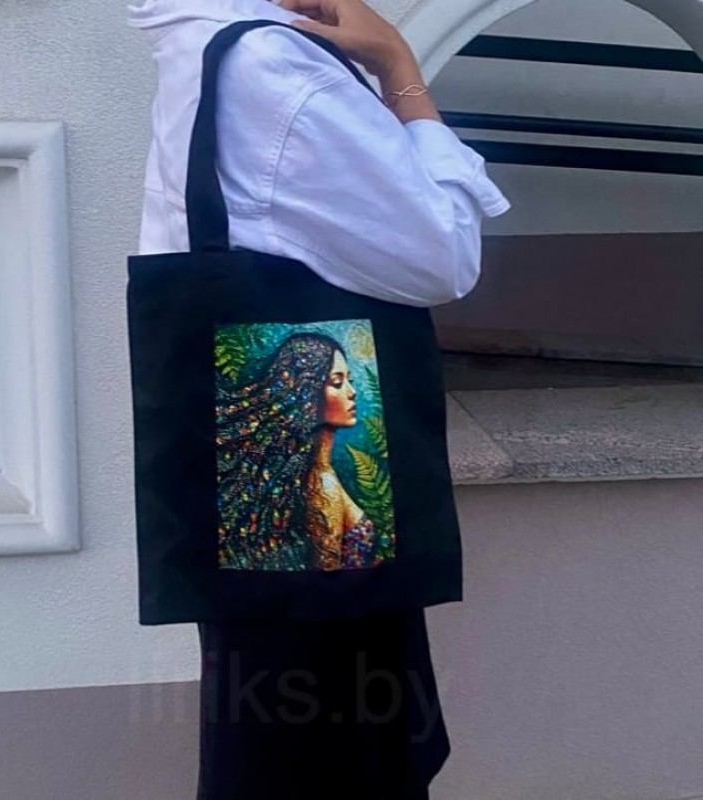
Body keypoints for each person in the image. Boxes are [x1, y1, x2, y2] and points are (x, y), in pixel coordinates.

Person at [127, 0, 511, 797]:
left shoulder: (201, 41)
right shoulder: (275, 67)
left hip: (276, 542)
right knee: (340, 742)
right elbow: (442, 255)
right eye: (329, 379)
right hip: (321, 569)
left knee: (282, 724)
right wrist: (400, 71)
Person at [216, 330, 385, 572]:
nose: (351, 391)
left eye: (350, 381)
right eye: (337, 383)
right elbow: (325, 580)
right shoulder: (322, 487)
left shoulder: (319, 471)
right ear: (307, 392)